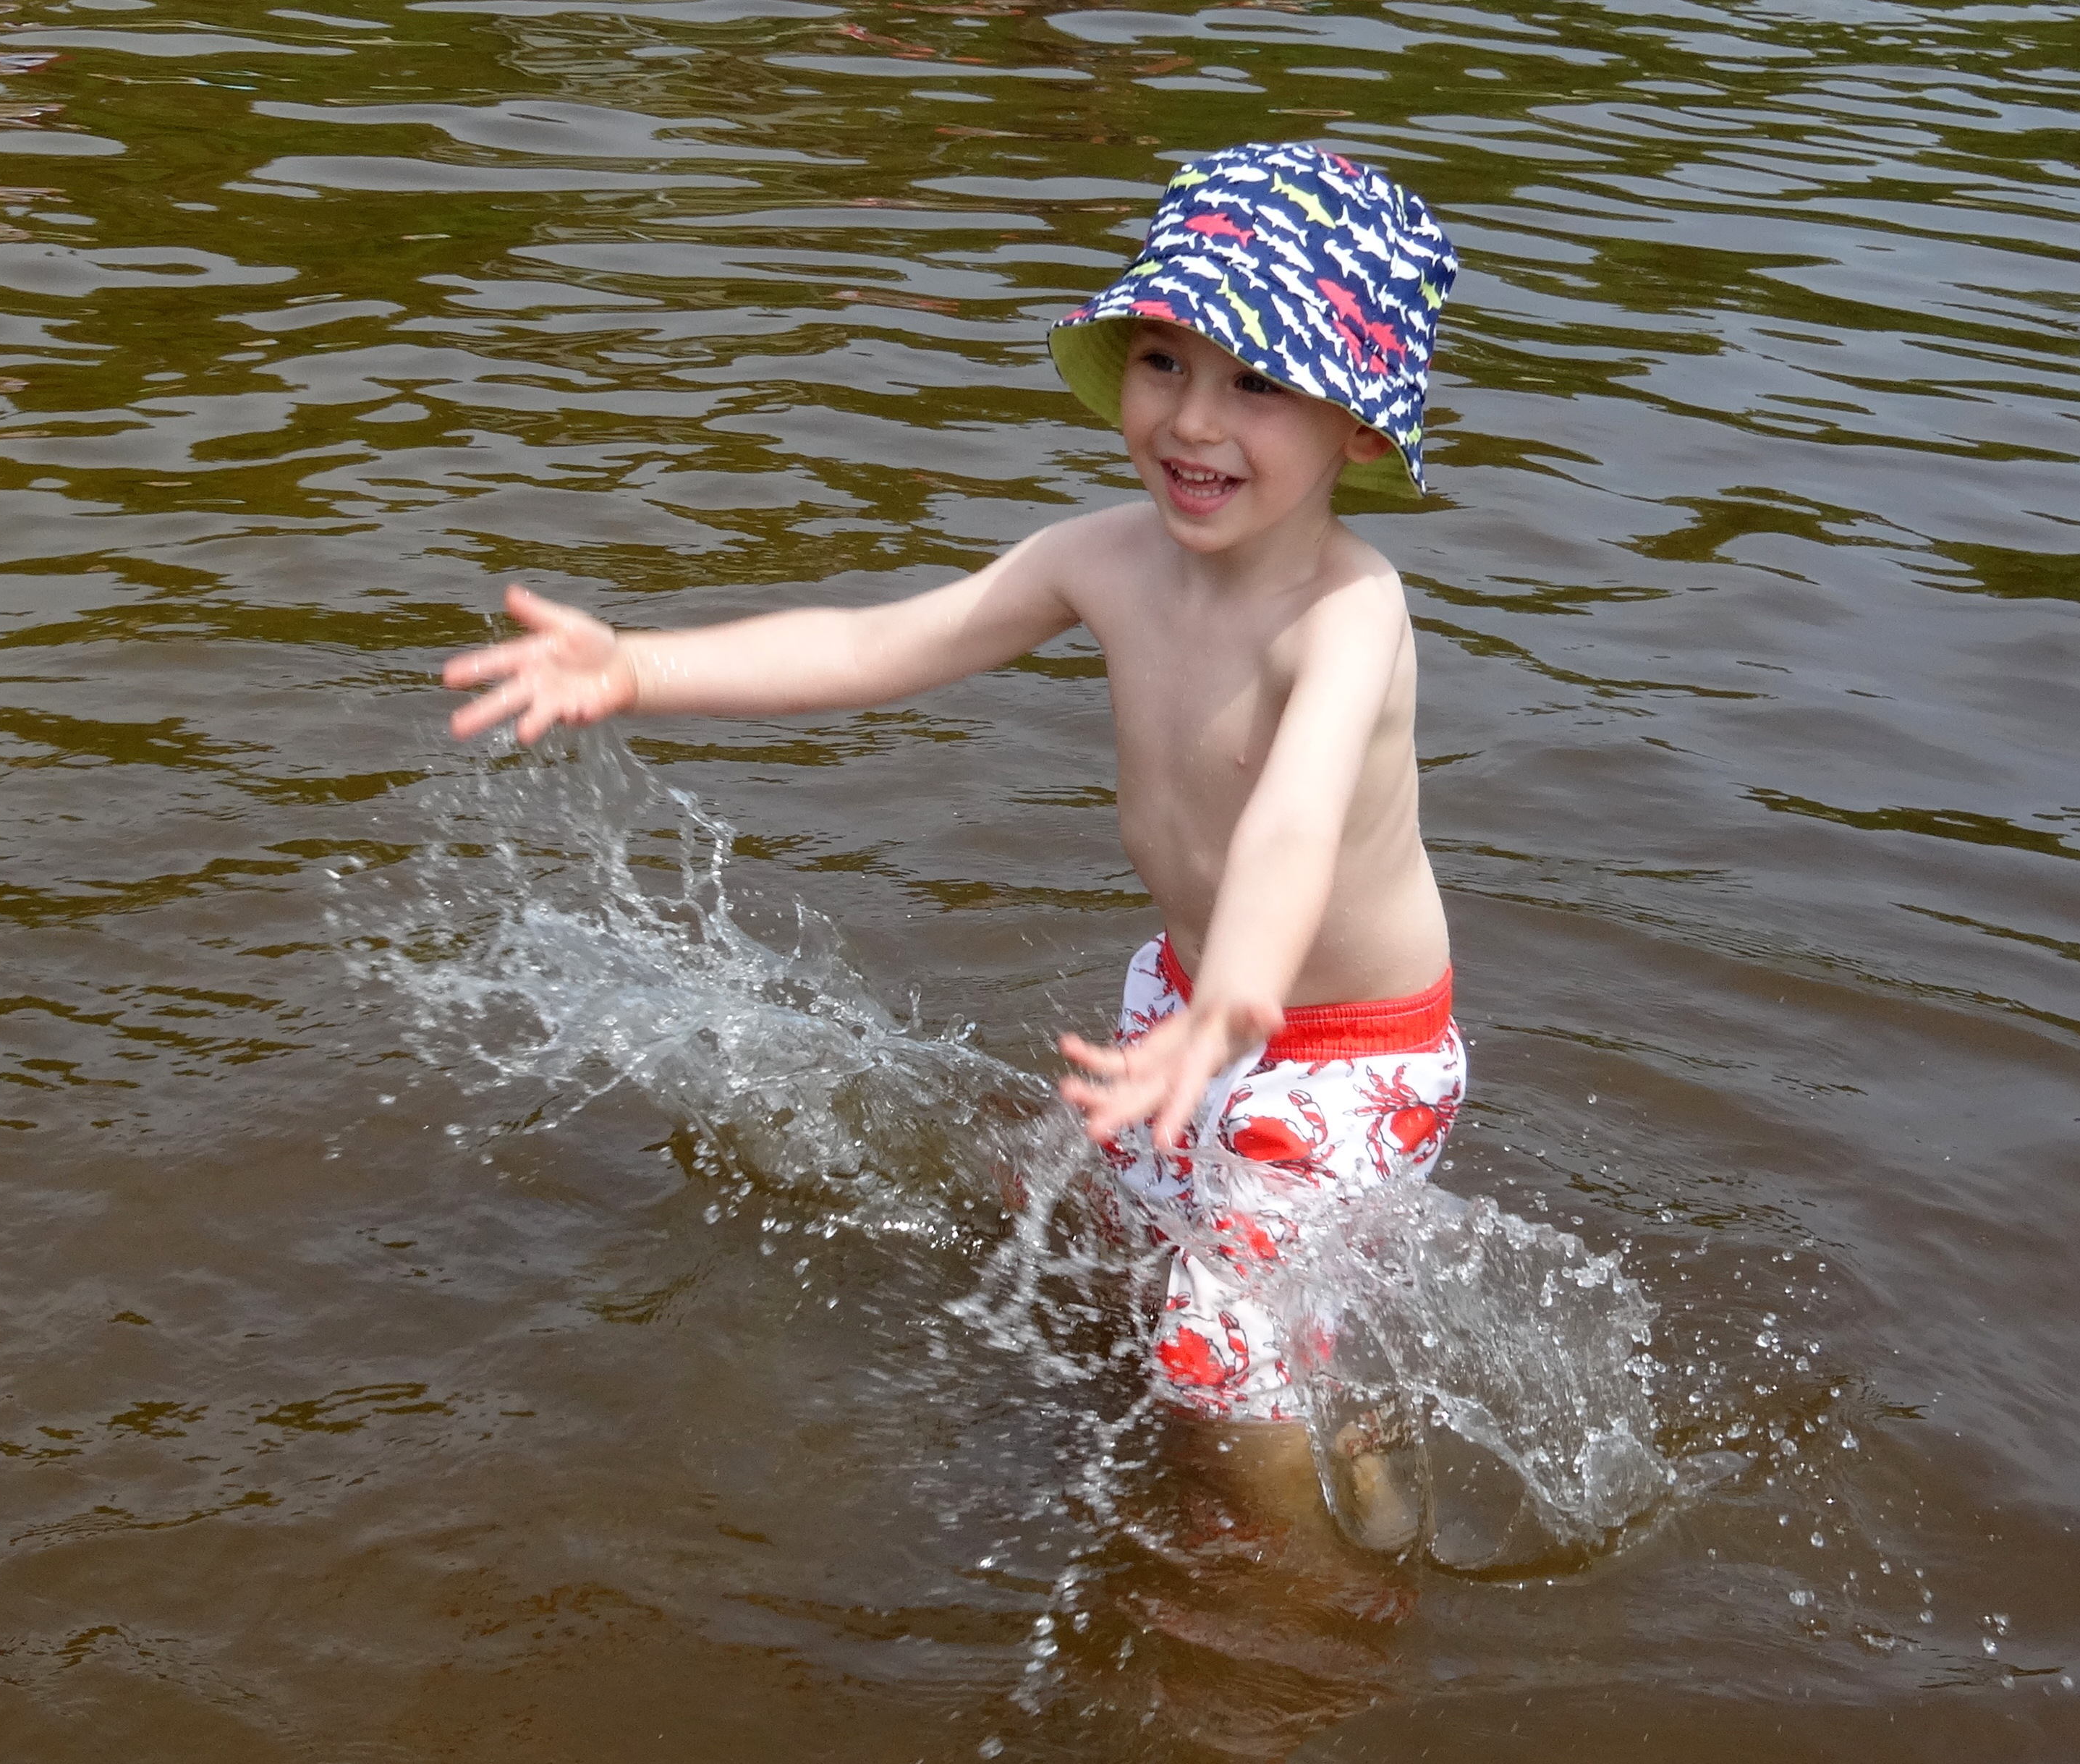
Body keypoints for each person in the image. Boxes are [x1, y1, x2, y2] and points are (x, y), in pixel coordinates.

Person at [444, 142, 1463, 1549]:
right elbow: (878, 643)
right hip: (1185, 1003)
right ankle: (1332, 1377)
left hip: (1341, 1050)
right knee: (1132, 1254)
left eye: (1256, 384)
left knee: (1212, 1362)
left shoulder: (1348, 614)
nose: (1191, 419)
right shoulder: (1101, 558)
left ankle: (1301, 1611)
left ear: (1357, 426)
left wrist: (1238, 998)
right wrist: (638, 666)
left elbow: (1293, 820)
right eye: (1163, 361)